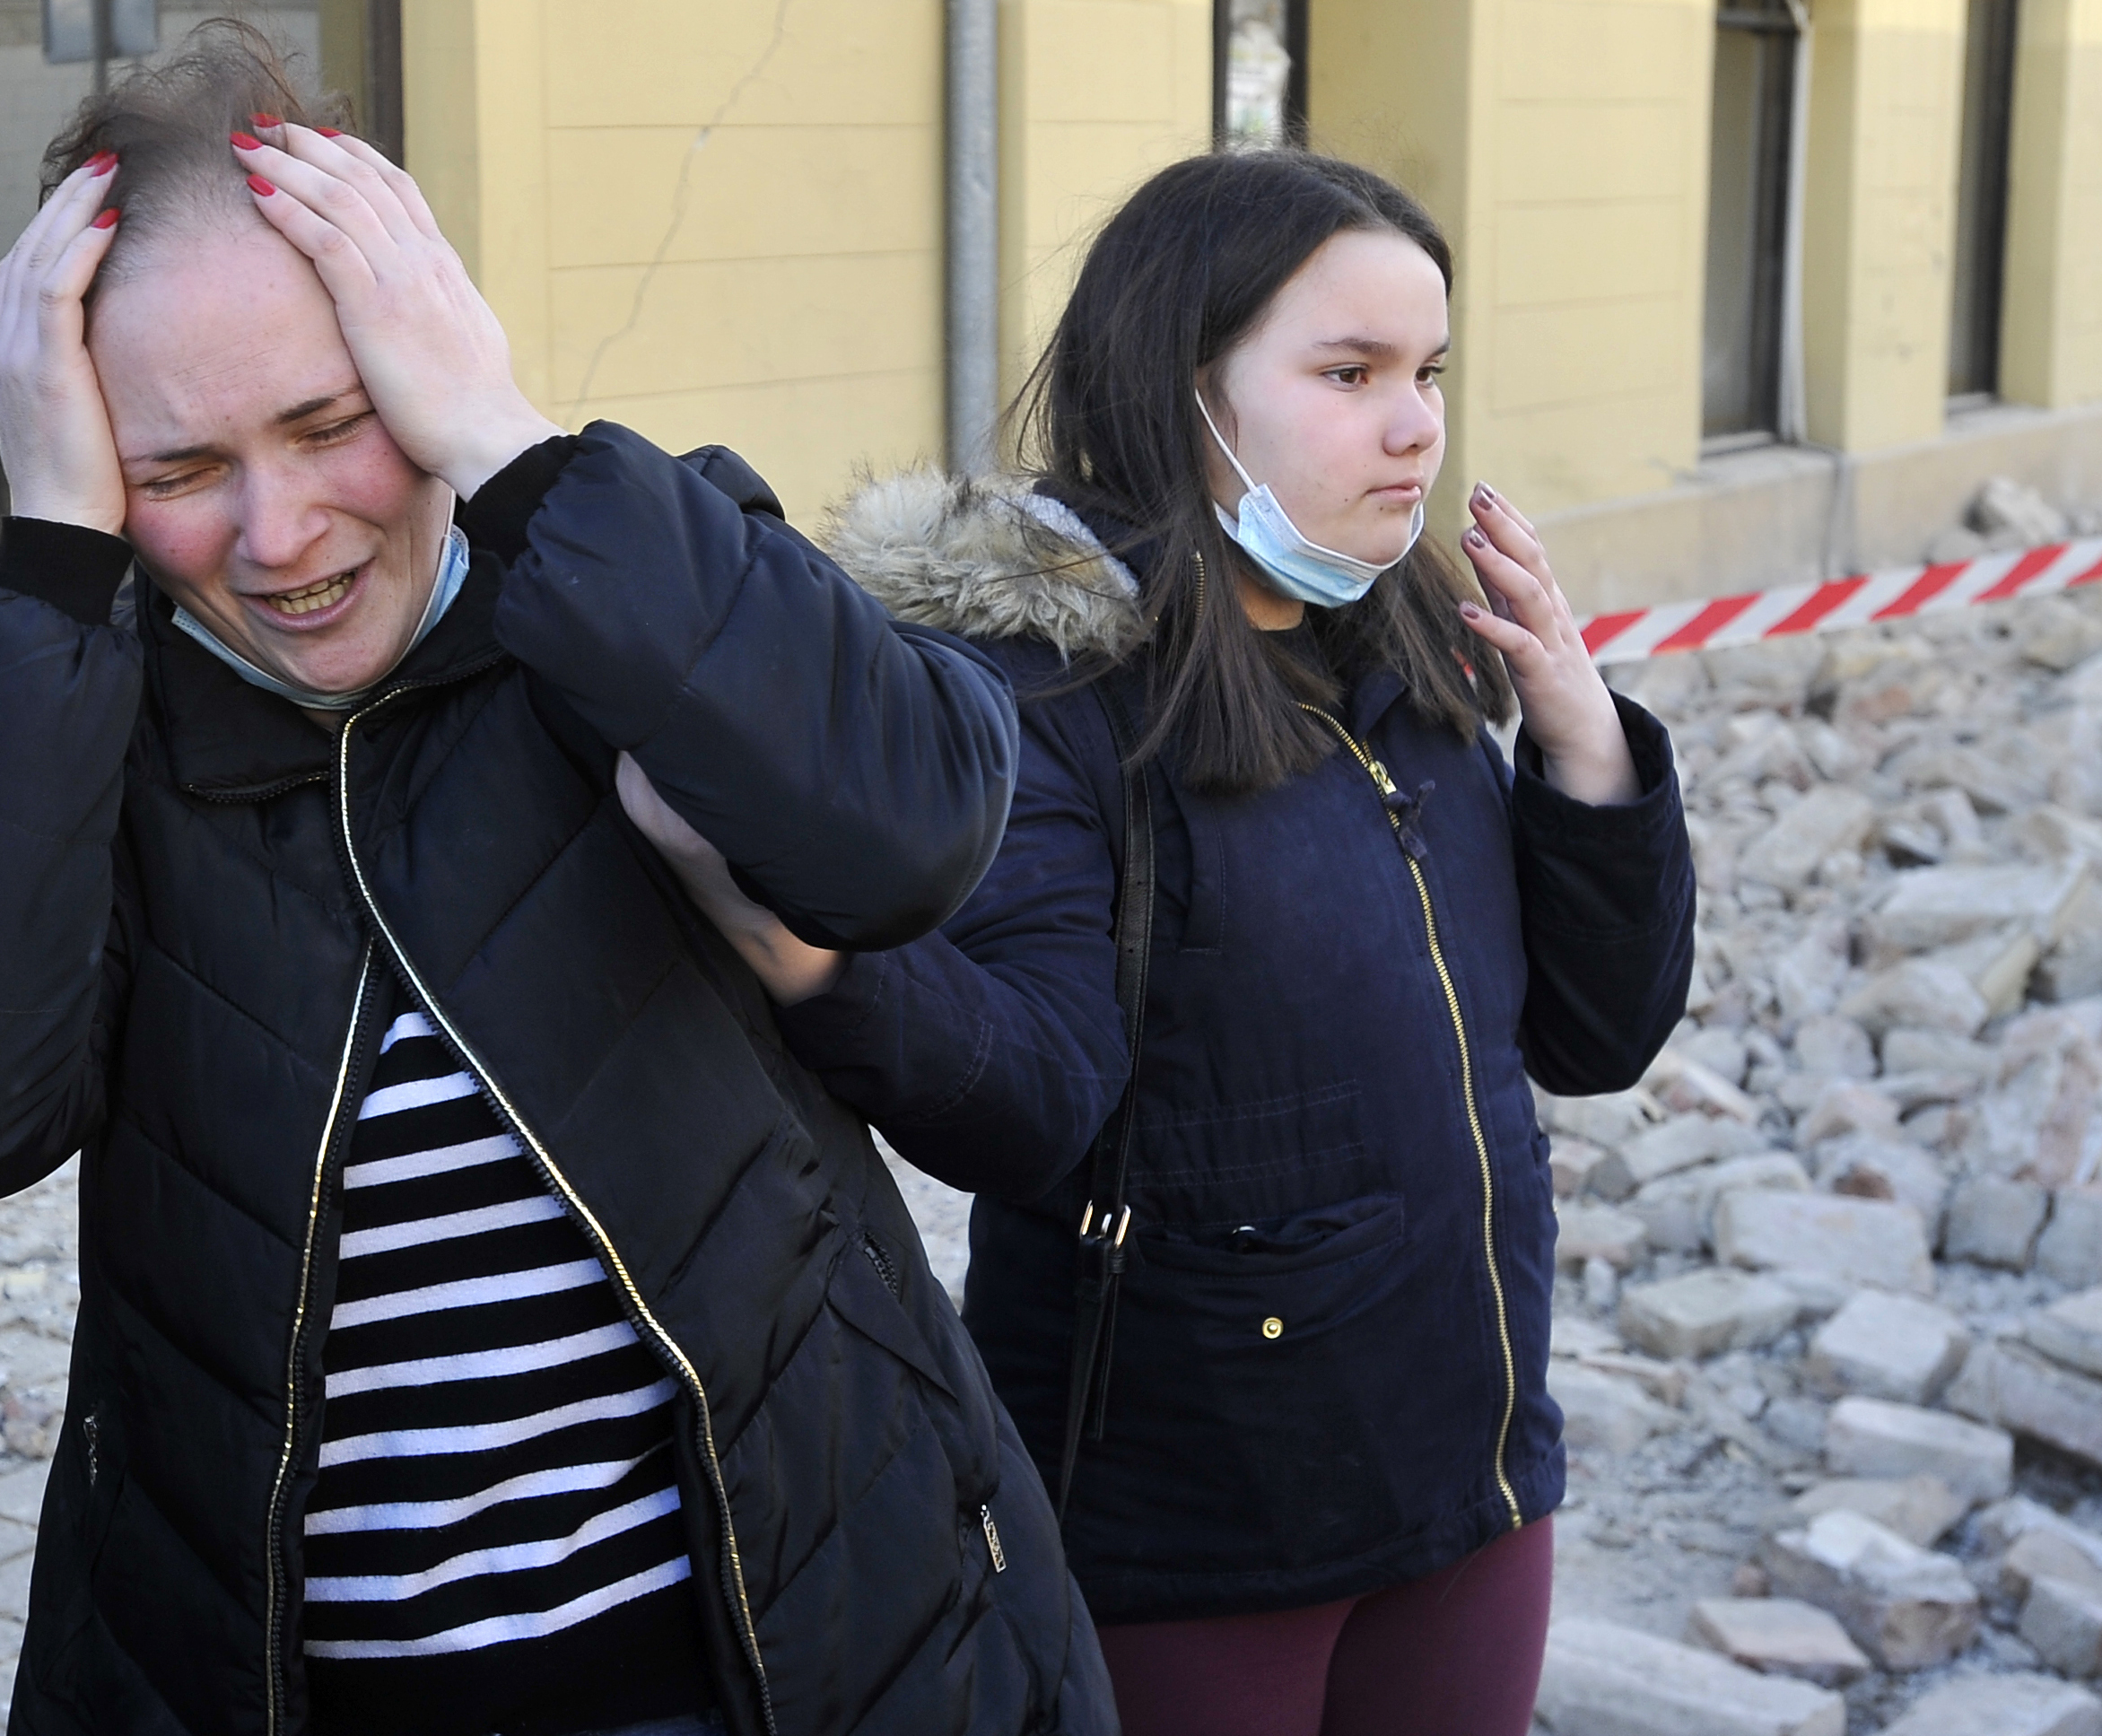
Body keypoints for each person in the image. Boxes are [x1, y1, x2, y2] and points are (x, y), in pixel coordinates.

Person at [0, 28, 1115, 1736]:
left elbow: (914, 830)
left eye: (332, 423)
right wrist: (43, 559)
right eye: (177, 472)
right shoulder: (86, 731)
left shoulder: (635, 584)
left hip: (798, 1663)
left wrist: (510, 439)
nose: (278, 535)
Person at [632, 150, 1696, 1736]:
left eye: (1429, 374)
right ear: (1183, 388)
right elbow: (1032, 1103)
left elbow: (1596, 1041)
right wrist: (817, 962)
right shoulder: (1043, 692)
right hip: (1191, 1533)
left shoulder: (1405, 642)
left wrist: (1588, 752)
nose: (1415, 426)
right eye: (1350, 373)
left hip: (1474, 1478)